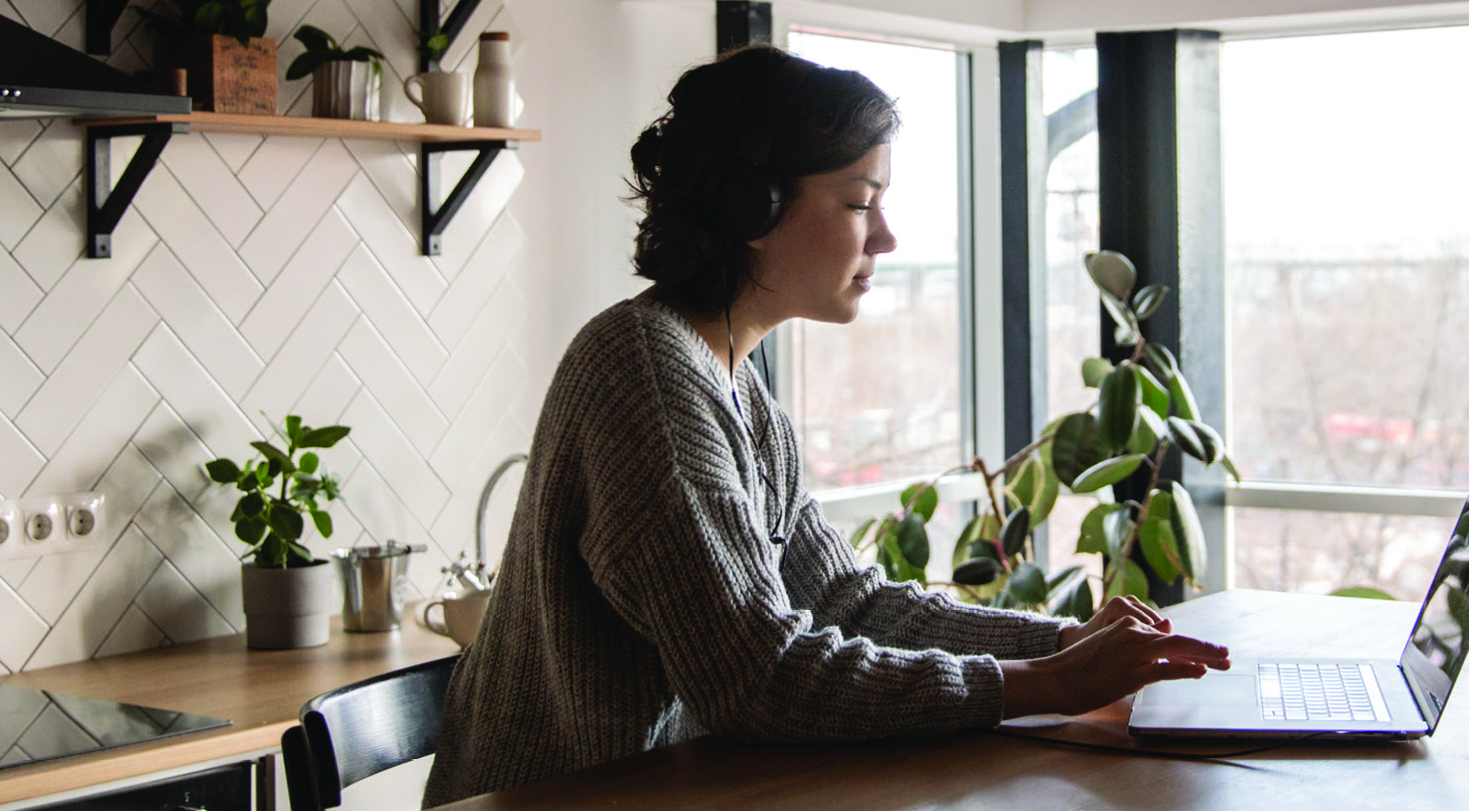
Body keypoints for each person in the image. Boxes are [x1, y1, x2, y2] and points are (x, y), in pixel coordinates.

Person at [421, 46, 1230, 807]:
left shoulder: (730, 381)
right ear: (752, 208)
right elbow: (757, 678)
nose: (885, 237)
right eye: (859, 202)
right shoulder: (648, 378)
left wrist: (1061, 643)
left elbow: (844, 601)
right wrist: (1043, 684)